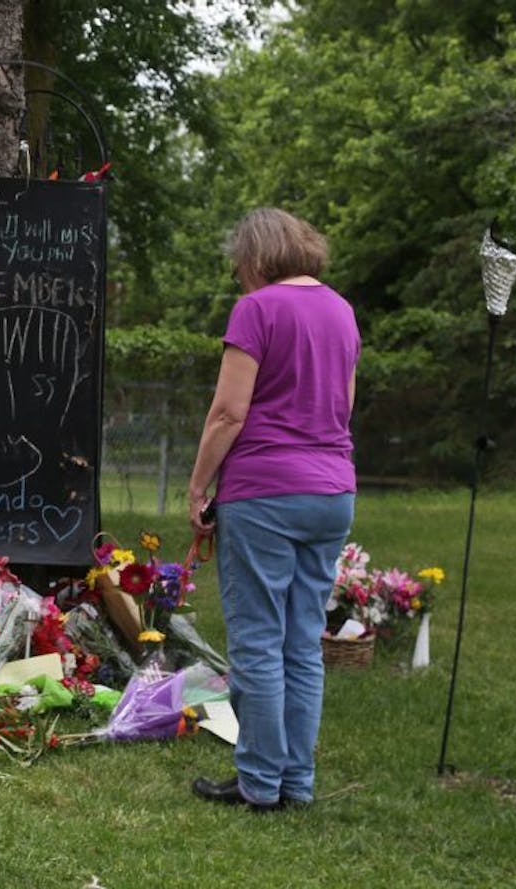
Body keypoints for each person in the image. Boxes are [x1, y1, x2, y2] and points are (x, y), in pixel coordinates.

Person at [186, 207, 359, 812]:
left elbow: (229, 413)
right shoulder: (341, 311)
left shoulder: (256, 310)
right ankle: (298, 784)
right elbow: (343, 406)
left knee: (258, 642)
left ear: (257, 257)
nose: (240, 278)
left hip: (266, 490)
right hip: (333, 491)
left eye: (240, 266)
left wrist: (199, 485)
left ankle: (260, 783)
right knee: (302, 642)